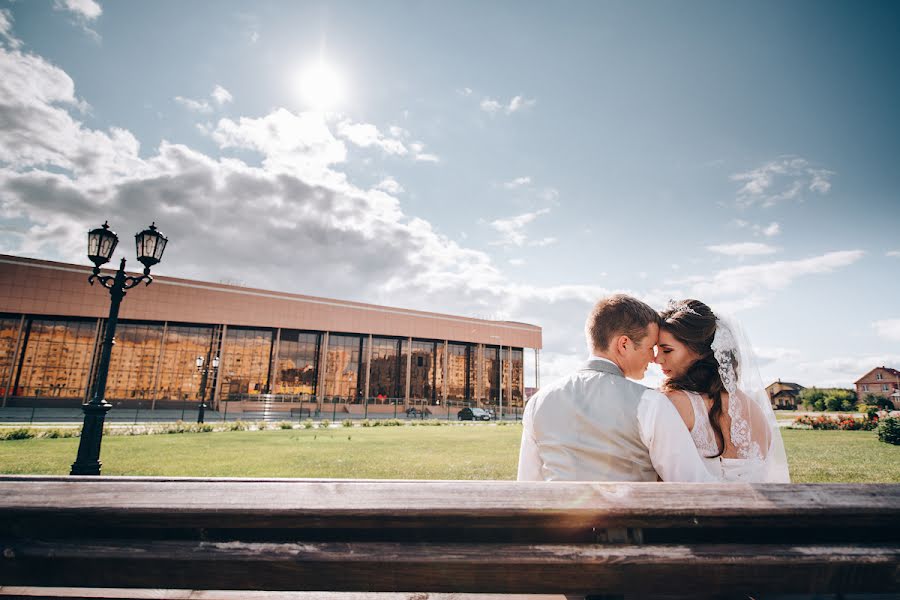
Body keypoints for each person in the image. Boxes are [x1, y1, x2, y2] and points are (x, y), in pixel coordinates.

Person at [517, 294, 715, 483]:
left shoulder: (538, 402)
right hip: (629, 518)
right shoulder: (650, 404)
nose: (653, 358)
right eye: (650, 347)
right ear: (624, 345)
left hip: (559, 517)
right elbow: (693, 483)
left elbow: (527, 484)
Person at [656, 299, 790, 483]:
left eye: (667, 350)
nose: (657, 359)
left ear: (700, 352)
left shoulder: (676, 402)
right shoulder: (754, 409)